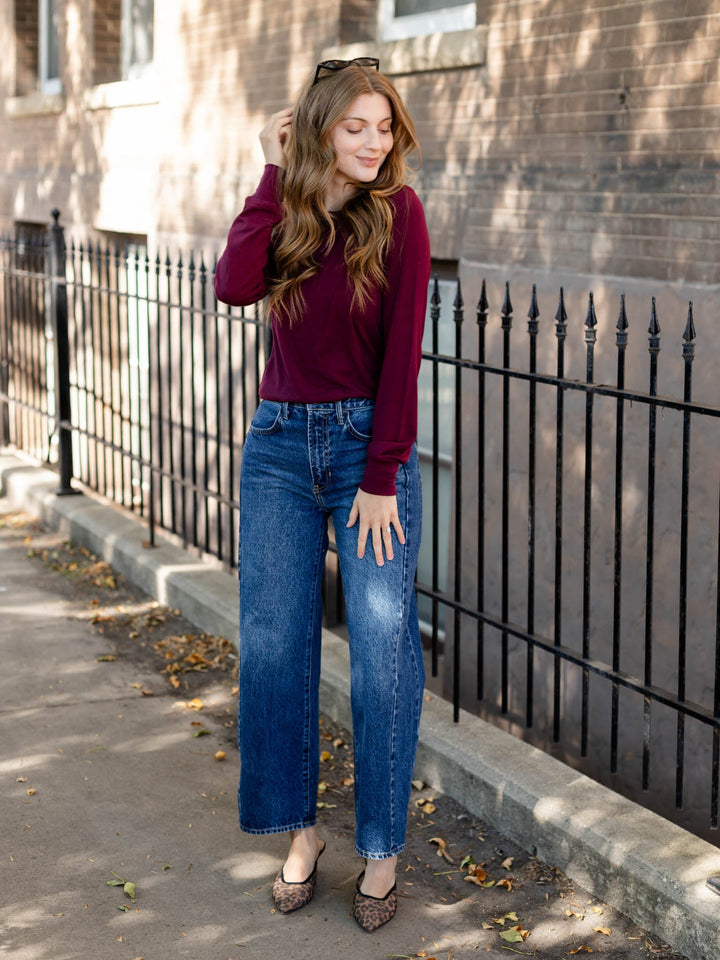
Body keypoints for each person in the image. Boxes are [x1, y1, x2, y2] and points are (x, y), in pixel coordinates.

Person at [214, 57, 431, 932]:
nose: (374, 142)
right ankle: (300, 835)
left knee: (381, 649)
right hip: (275, 449)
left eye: (384, 127)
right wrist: (272, 170)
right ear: (318, 130)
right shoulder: (291, 214)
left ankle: (381, 848)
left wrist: (381, 476)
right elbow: (234, 284)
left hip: (360, 455)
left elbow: (403, 352)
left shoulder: (401, 215)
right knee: (274, 643)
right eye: (355, 126)